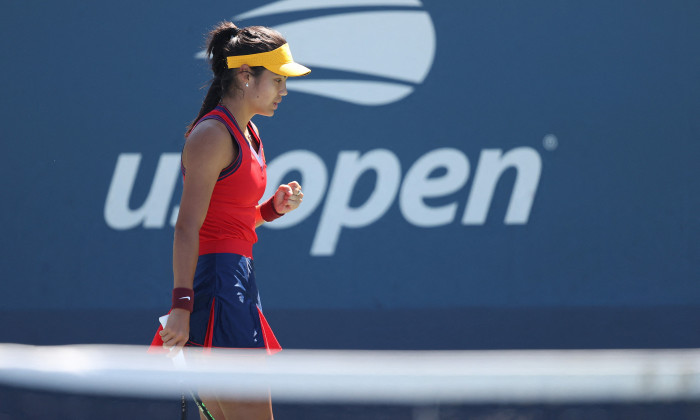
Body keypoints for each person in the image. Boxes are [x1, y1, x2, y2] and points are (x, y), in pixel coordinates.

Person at [157, 21, 310, 420]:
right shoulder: (212, 136)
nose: (284, 91)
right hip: (218, 286)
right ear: (245, 76)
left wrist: (270, 210)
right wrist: (181, 306)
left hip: (237, 281)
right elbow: (188, 227)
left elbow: (230, 224)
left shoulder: (251, 133)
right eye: (277, 80)